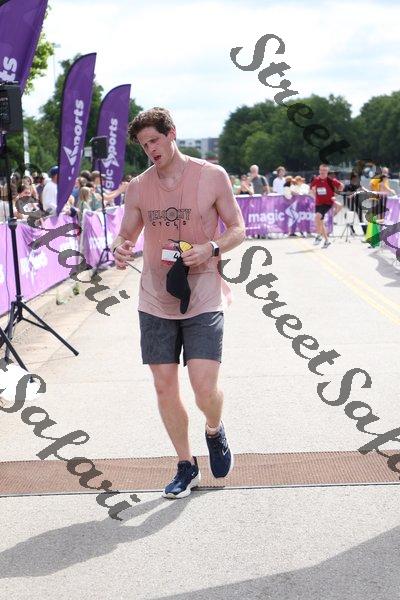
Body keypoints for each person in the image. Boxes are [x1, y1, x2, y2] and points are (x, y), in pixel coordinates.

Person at [111, 107, 245, 499]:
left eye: (154, 140)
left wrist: (211, 248)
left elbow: (238, 229)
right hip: (155, 297)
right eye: (143, 145)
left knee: (204, 388)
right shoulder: (139, 187)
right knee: (164, 386)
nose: (150, 149)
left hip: (203, 294)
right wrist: (120, 248)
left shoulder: (212, 176)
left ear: (172, 134)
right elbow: (126, 234)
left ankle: (214, 429)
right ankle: (186, 465)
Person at [309, 164, 344, 249]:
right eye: (321, 170)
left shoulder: (331, 180)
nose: (322, 172)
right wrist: (313, 194)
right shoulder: (316, 180)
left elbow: (341, 186)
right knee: (320, 222)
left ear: (327, 171)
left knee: (317, 217)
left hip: (328, 203)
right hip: (318, 203)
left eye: (324, 170)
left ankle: (318, 236)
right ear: (319, 170)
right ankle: (327, 241)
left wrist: (335, 195)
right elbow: (310, 189)